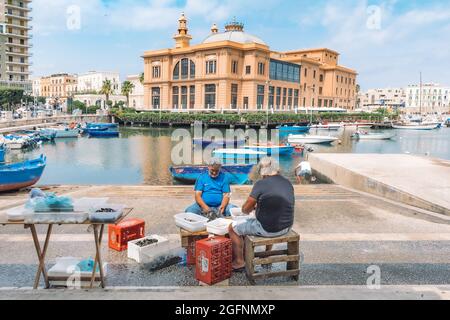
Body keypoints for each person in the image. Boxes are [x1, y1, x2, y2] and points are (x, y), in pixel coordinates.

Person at [228, 157, 295, 271]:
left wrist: (249, 209)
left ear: (262, 172)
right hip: (287, 227)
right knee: (272, 217)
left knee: (232, 228)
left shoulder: (261, 184)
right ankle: (267, 253)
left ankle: (239, 262)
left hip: (268, 230)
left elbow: (245, 209)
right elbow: (279, 205)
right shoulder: (287, 182)